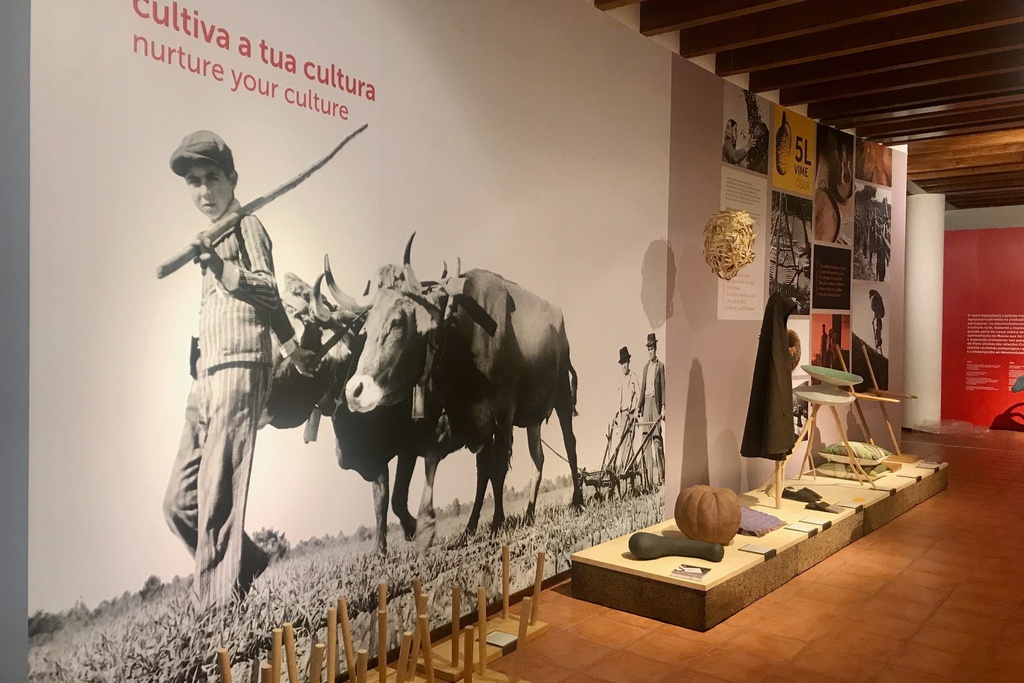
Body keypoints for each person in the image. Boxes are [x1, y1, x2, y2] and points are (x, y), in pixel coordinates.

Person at [161, 131, 314, 610]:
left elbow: (268, 291)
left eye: (212, 179)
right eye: (193, 182)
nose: (204, 191)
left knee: (218, 492)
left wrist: (223, 269)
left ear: (233, 180)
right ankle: (245, 563)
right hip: (205, 372)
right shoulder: (211, 234)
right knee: (179, 502)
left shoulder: (248, 226)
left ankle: (215, 611)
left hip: (241, 364)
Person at [637, 333, 665, 490]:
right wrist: (639, 408)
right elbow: (642, 389)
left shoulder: (660, 366)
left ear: (656, 348)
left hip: (655, 402)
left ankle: (662, 476)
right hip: (646, 403)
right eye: (648, 349)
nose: (650, 351)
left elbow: (663, 387)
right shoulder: (645, 368)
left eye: (652, 348)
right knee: (645, 441)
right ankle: (647, 481)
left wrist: (664, 407)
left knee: (657, 440)